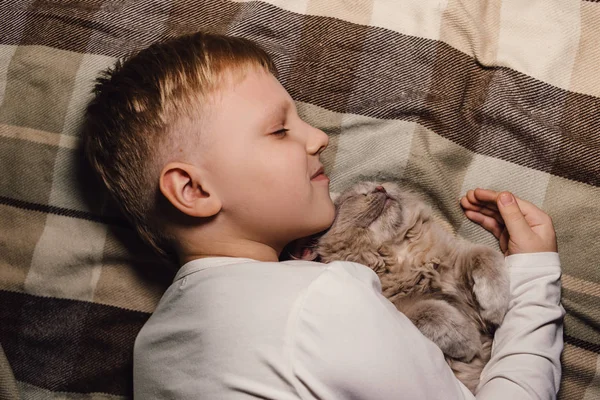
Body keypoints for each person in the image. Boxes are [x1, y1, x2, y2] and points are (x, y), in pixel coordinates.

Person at [83, 31, 564, 399]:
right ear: (193, 189)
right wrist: (535, 275)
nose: (317, 138)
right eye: (279, 130)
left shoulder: (153, 348)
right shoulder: (322, 299)